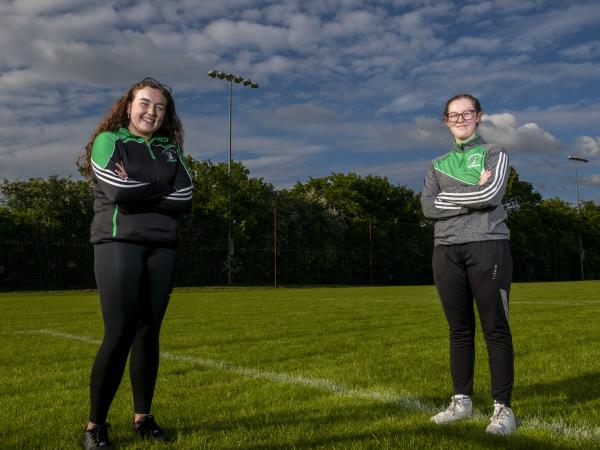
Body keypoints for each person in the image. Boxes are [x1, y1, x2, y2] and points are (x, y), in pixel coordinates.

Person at [79, 77, 193, 449]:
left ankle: (143, 418)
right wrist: (161, 187)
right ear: (129, 106)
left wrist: (140, 188)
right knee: (120, 330)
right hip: (118, 241)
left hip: (163, 245)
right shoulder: (110, 141)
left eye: (160, 107)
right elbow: (116, 190)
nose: (152, 112)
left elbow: (186, 195)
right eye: (145, 104)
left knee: (148, 330)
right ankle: (95, 427)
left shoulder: (170, 151)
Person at [420, 93, 517, 436]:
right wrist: (468, 199)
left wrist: (450, 198)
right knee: (458, 330)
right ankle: (461, 401)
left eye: (467, 113)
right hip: (446, 249)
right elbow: (428, 206)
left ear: (478, 116)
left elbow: (490, 195)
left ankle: (503, 408)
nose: (460, 120)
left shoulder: (494, 153)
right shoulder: (435, 165)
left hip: (488, 245)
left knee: (495, 327)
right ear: (446, 121)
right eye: (453, 115)